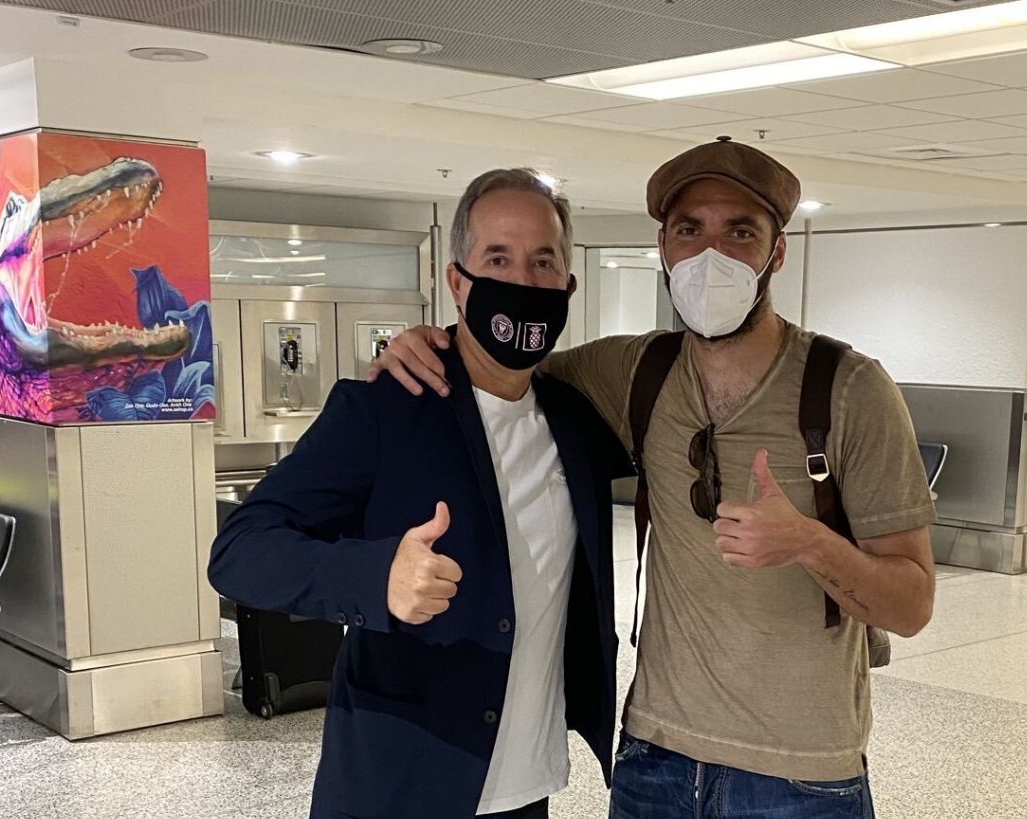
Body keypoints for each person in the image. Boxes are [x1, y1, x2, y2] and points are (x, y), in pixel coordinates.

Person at [370, 138, 937, 818]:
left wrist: (810, 543)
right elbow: (503, 362)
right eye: (689, 230)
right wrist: (424, 342)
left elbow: (912, 605)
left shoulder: (848, 390)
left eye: (740, 232)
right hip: (654, 761)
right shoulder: (638, 372)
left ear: (777, 252)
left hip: (800, 776)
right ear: (663, 247)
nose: (711, 255)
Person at [210, 168, 632, 819]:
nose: (523, 281)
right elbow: (239, 550)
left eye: (543, 262)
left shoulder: (576, 420)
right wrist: (374, 575)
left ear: (568, 285)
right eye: (498, 258)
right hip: (400, 783)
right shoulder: (385, 410)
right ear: (457, 282)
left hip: (527, 787)